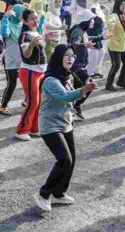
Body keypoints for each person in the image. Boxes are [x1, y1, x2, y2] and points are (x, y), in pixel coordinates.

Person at [34, 45, 97, 212]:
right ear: (58, 58)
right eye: (66, 56)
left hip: (65, 123)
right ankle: (44, 194)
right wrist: (84, 90)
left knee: (71, 161)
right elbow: (65, 96)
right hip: (50, 125)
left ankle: (59, 192)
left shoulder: (66, 76)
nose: (70, 59)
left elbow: (73, 99)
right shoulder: (51, 80)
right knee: (64, 160)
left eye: (72, 56)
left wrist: (85, 88)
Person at [15, 9, 46, 141]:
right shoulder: (25, 35)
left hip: (39, 71)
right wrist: (32, 45)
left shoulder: (35, 32)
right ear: (26, 21)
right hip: (29, 71)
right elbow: (26, 55)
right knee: (33, 101)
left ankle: (34, 128)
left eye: (36, 18)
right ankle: (21, 130)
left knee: (38, 102)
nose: (36, 20)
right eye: (32, 19)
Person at [105, 0, 125, 91]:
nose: (124, 6)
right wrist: (110, 25)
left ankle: (121, 81)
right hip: (114, 45)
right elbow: (110, 22)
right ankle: (109, 84)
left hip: (122, 45)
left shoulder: (124, 15)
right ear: (117, 5)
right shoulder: (114, 15)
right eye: (122, 4)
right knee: (116, 65)